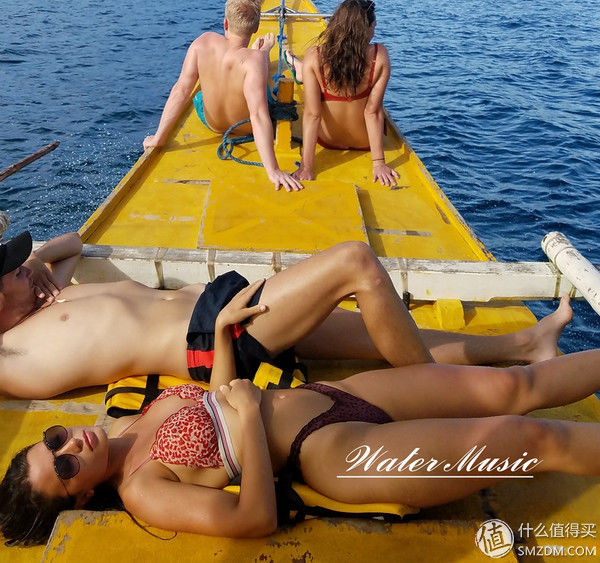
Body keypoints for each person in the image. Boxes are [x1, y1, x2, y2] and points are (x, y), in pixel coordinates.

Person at [4, 337, 600, 544]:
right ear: (82, 498)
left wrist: (220, 336)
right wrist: (246, 420)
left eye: (54, 441)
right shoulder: (143, 491)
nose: (70, 448)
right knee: (530, 439)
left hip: (333, 394)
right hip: (329, 451)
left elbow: (215, 399)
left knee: (512, 385)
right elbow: (253, 518)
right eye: (64, 469)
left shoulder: (125, 423)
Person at [0, 230, 571, 400]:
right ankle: (442, 393)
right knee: (356, 263)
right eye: (12, 269)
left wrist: (34, 262)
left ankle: (524, 346)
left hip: (225, 302)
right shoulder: (16, 353)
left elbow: (72, 243)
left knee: (383, 334)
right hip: (214, 340)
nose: (23, 267)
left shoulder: (48, 290)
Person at [143, 0, 302, 192]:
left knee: (199, 96)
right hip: (244, 127)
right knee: (265, 91)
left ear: (225, 23)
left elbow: (181, 90)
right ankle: (263, 53)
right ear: (255, 28)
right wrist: (273, 170)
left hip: (211, 123)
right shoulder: (254, 61)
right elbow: (258, 115)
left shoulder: (202, 42)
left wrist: (158, 138)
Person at [290, 0, 397, 186]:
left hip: (328, 140)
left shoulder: (315, 55)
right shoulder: (379, 56)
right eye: (373, 26)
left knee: (310, 69)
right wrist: (379, 163)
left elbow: (313, 114)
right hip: (365, 142)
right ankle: (301, 70)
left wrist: (306, 167)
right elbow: (372, 112)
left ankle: (300, 69)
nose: (374, 31)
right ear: (365, 29)